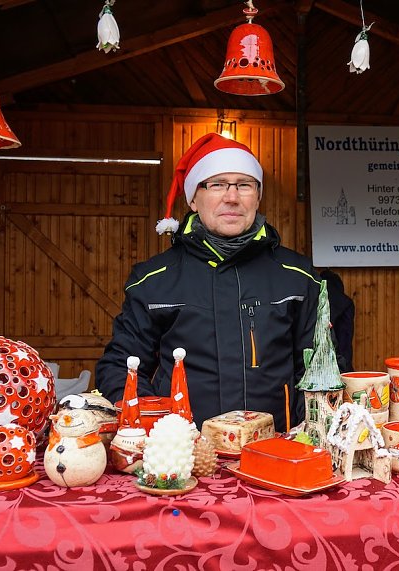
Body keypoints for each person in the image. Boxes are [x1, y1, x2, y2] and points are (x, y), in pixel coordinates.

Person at [96, 133, 323, 432]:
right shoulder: (153, 280)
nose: (232, 197)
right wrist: (161, 434)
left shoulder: (298, 275)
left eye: (244, 184)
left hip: (277, 450)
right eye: (216, 184)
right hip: (184, 456)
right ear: (193, 198)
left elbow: (323, 369)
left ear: (257, 195)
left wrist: (306, 431)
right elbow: (120, 369)